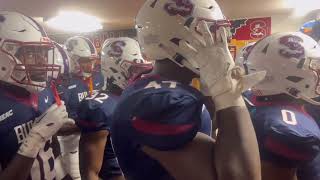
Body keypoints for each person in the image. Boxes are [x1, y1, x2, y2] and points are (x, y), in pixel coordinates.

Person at [110, 0, 265, 180]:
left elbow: (209, 130)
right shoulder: (162, 100)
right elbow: (242, 177)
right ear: (177, 40)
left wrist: (213, 92)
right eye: (212, 32)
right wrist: (229, 97)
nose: (222, 40)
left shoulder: (157, 84)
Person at [0, 11, 73, 180]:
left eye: (41, 52)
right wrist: (34, 139)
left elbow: (51, 147)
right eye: (31, 53)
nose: (41, 61)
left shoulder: (43, 91)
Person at [243, 32, 320, 180]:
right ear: (286, 70)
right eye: (313, 66)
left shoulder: (265, 105)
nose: (317, 72)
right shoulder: (289, 128)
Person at [57, 36, 107, 180]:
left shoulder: (99, 77)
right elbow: (59, 126)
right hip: (72, 142)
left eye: (91, 60)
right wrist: (87, 124)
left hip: (97, 136)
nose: (90, 65)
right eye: (84, 61)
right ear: (71, 59)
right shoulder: (62, 83)